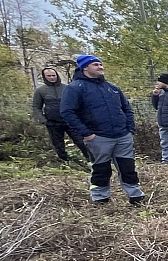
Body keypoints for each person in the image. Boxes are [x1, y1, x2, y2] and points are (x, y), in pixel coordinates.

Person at [60, 54, 145, 206]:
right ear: (85, 68)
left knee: (128, 168)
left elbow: (126, 108)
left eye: (100, 64)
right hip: (98, 137)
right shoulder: (75, 88)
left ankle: (136, 196)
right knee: (101, 169)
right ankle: (100, 198)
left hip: (122, 135)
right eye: (95, 65)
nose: (100, 67)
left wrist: (129, 129)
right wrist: (87, 133)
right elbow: (67, 112)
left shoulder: (112, 88)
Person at [32, 66, 86, 163]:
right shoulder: (41, 91)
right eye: (49, 76)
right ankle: (65, 162)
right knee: (58, 145)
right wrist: (44, 121)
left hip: (70, 121)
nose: (52, 77)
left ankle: (91, 160)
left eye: (54, 75)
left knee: (81, 141)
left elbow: (77, 103)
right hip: (53, 123)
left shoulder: (67, 88)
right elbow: (36, 107)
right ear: (44, 77)